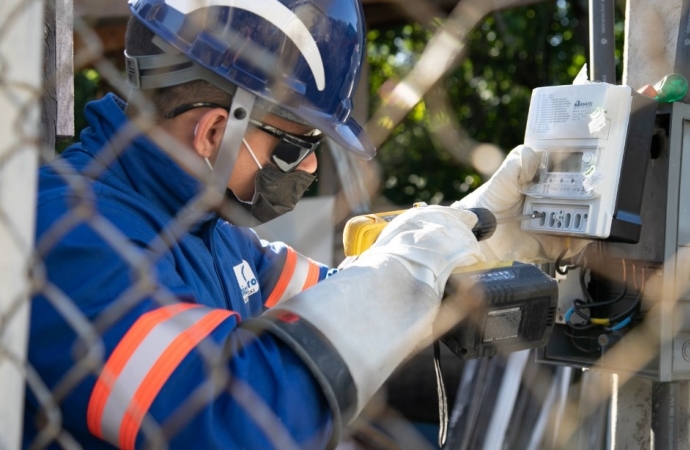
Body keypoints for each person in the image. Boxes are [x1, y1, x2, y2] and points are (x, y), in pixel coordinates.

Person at [24, 1, 581, 449]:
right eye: (298, 145)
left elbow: (340, 300)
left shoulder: (209, 232)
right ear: (215, 132)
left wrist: (476, 229)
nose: (312, 168)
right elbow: (229, 425)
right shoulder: (69, 232)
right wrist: (402, 267)